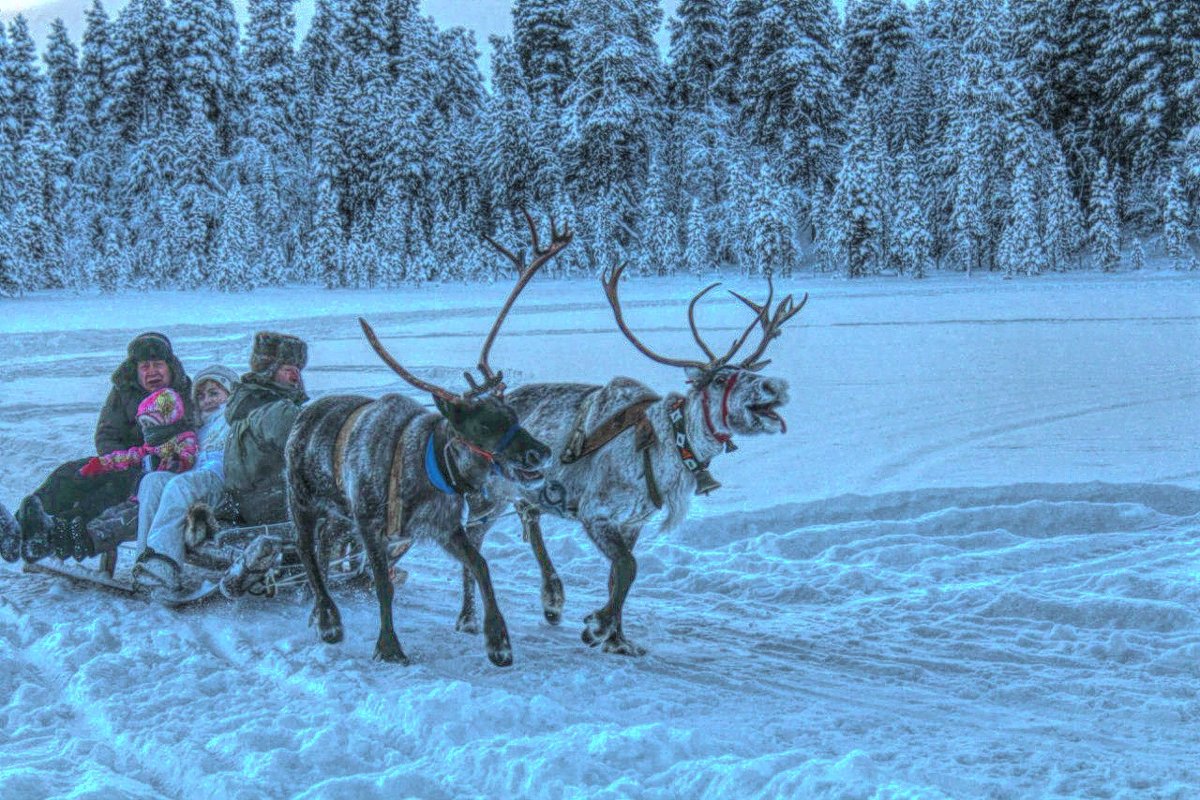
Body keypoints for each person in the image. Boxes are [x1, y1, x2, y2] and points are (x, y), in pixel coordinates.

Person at [1, 332, 194, 563]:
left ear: (170, 366)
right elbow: (106, 433)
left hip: (154, 469)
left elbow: (191, 436)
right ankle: (21, 528)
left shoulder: (184, 393)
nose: (152, 371)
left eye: (158, 365)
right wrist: (115, 460)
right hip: (121, 459)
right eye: (145, 366)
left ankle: (55, 532)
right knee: (70, 473)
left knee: (106, 491)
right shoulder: (124, 392)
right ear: (136, 370)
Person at [132, 365, 240, 593]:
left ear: (231, 394)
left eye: (214, 393)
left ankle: (165, 566)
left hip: (223, 484)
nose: (207, 400)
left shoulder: (234, 420)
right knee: (152, 481)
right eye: (200, 396)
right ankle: (146, 562)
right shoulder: (199, 428)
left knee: (179, 485)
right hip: (197, 482)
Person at [221, 331, 308, 526]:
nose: (296, 376)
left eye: (298, 369)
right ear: (268, 371)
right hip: (277, 505)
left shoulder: (247, 406)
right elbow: (311, 448)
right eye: (288, 369)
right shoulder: (277, 412)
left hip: (248, 504)